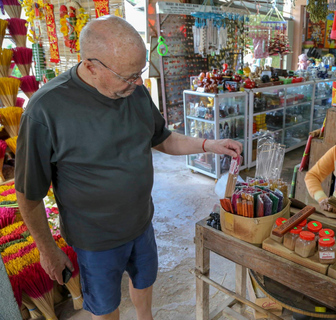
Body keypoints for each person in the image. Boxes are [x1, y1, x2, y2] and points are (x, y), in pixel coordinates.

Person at [14, 16, 242, 320]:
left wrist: (207, 145)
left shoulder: (134, 91)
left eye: (141, 72)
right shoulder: (45, 110)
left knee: (144, 281)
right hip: (95, 239)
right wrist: (46, 250)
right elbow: (28, 195)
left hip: (141, 222)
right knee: (106, 307)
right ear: (91, 65)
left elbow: (163, 139)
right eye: (129, 75)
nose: (138, 82)